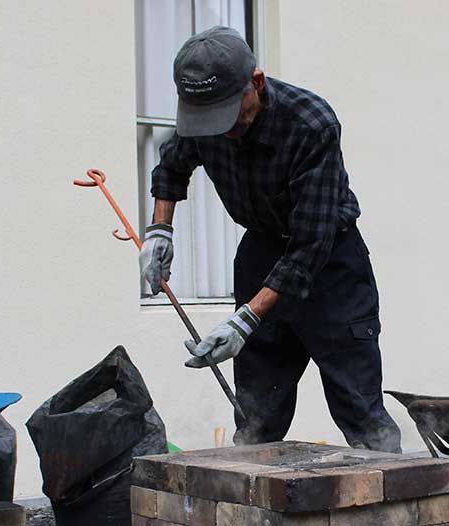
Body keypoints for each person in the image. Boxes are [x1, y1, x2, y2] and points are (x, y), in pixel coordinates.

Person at [139, 26, 401, 452]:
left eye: (226, 113)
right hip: (260, 251)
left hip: (329, 265)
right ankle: (250, 507)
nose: (218, 130)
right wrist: (159, 230)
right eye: (205, 118)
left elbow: (308, 246)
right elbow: (171, 168)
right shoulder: (203, 119)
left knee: (360, 410)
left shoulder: (311, 124)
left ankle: (397, 507)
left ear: (255, 84)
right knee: (257, 415)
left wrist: (247, 318)